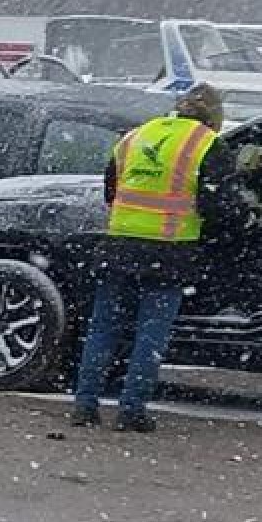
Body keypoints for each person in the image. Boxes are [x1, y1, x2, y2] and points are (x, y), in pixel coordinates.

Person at [73, 83, 226, 433]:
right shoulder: (207, 144)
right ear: (214, 114)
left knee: (103, 329)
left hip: (118, 246)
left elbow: (111, 190)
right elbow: (217, 205)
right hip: (168, 253)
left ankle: (85, 405)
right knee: (150, 336)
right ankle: (132, 410)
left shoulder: (136, 137)